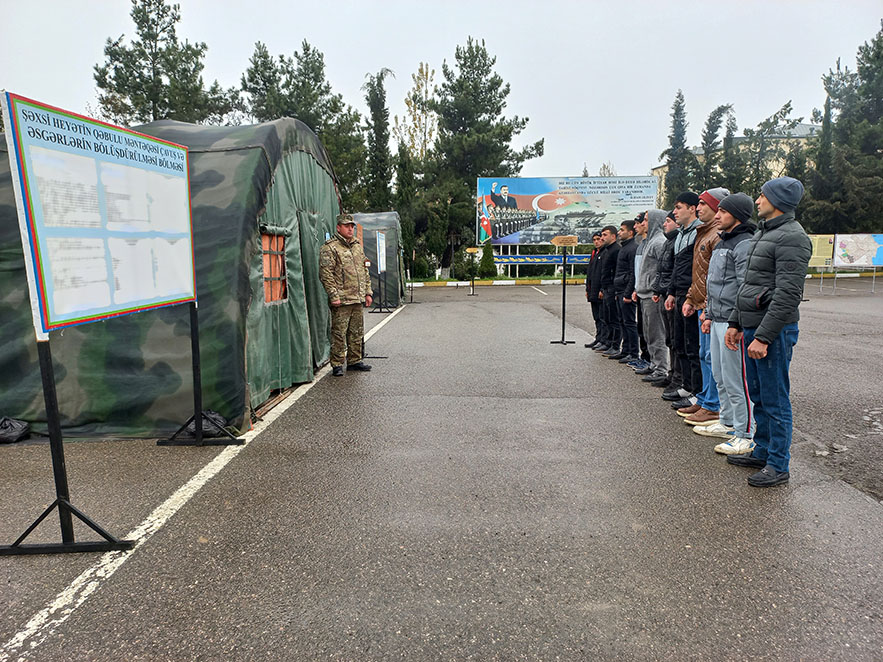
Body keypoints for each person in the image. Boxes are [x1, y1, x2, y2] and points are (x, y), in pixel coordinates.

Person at [725, 177, 811, 487]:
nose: (757, 200)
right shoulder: (764, 233)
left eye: (763, 195)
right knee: (759, 395)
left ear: (778, 201)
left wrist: (763, 336)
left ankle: (778, 464)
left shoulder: (793, 237)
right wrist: (735, 323)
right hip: (752, 325)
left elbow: (788, 294)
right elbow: (749, 285)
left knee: (775, 399)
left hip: (773, 331)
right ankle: (761, 450)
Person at [697, 192, 757, 450]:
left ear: (737, 215)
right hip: (718, 319)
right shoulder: (722, 242)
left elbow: (745, 286)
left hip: (733, 322)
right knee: (720, 375)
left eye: (723, 211)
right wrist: (709, 314)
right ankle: (727, 421)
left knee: (736, 379)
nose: (717, 216)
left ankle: (745, 434)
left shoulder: (744, 243)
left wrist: (738, 323)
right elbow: (714, 284)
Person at [680, 187, 729, 426]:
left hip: (711, 308)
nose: (698, 208)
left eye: (703, 204)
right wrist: (691, 298)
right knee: (704, 355)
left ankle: (712, 405)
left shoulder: (717, 235)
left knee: (711, 357)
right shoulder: (704, 232)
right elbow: (698, 274)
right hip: (701, 305)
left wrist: (707, 308)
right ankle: (704, 399)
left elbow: (717, 277)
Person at [318, 213, 374, 376]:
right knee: (339, 333)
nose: (350, 229)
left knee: (356, 332)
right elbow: (326, 274)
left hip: (357, 297)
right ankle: (337, 364)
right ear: (338, 228)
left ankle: (354, 361)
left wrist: (367, 292)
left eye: (352, 226)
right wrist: (333, 295)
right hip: (341, 299)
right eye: (347, 226)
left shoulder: (357, 246)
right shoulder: (330, 248)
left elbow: (364, 270)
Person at [665, 192, 702, 410]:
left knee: (692, 345)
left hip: (691, 297)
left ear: (692, 208)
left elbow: (697, 270)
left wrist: (691, 296)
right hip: (678, 294)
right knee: (679, 342)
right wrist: (671, 292)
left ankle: (697, 392)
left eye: (679, 207)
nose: (675, 212)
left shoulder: (699, 232)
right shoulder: (680, 235)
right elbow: (676, 267)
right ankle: (687, 386)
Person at [634, 209, 670, 382]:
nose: (643, 223)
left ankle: (661, 368)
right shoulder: (649, 241)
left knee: (657, 334)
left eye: (647, 220)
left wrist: (656, 289)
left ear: (656, 221)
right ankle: (654, 364)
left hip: (652, 295)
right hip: (644, 294)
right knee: (648, 333)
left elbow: (664, 269)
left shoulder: (659, 242)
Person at [653, 211, 681, 390]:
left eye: (669, 221)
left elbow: (675, 271)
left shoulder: (678, 241)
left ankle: (679, 379)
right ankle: (673, 374)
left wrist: (670, 292)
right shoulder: (668, 242)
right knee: (670, 339)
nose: (665, 224)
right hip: (665, 293)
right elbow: (661, 269)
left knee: (677, 341)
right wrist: (657, 289)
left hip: (673, 296)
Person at [611, 220, 639, 363]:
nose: (619, 232)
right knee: (622, 321)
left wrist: (628, 293)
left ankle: (633, 353)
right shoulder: (624, 247)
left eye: (622, 230)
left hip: (626, 291)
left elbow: (633, 273)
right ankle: (625, 350)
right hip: (620, 289)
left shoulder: (632, 248)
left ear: (630, 232)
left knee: (629, 323)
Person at [597, 226, 622, 357]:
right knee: (606, 317)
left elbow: (617, 271)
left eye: (605, 235)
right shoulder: (606, 250)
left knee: (614, 319)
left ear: (613, 236)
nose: (602, 238)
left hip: (613, 288)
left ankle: (615, 345)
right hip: (606, 288)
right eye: (602, 235)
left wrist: (614, 289)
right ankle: (607, 342)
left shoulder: (616, 250)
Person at [585, 231, 606, 349]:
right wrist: (587, 289)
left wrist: (602, 289)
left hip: (600, 291)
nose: (597, 242)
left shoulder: (605, 252)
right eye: (594, 240)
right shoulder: (594, 253)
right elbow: (590, 273)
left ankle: (603, 340)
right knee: (596, 317)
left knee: (603, 317)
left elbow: (604, 273)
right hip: (592, 290)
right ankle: (598, 338)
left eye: (598, 239)